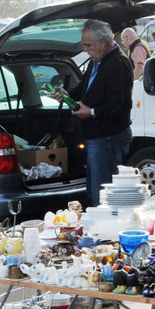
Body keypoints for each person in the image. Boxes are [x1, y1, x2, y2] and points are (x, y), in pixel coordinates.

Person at [59, 19, 133, 208]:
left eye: (88, 45)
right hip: (96, 137)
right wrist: (67, 95)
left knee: (102, 196)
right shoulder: (97, 60)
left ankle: (105, 233)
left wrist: (91, 112)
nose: (85, 50)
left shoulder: (119, 64)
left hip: (108, 137)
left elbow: (121, 106)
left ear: (103, 42)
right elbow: (84, 89)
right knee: (94, 193)